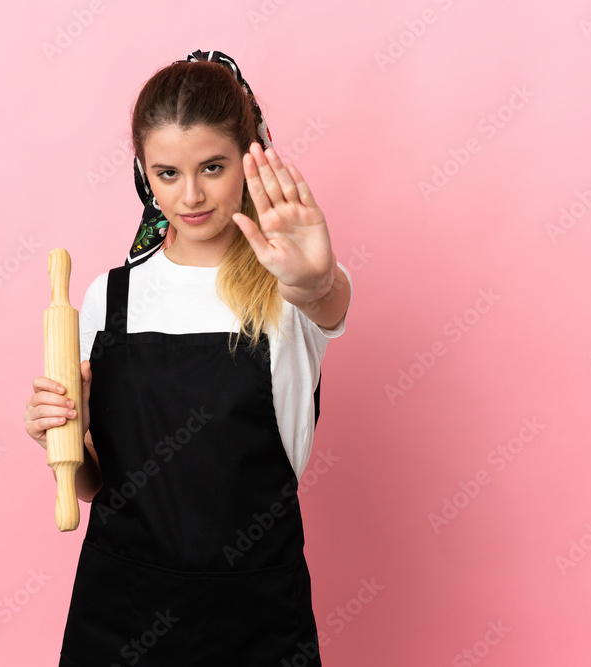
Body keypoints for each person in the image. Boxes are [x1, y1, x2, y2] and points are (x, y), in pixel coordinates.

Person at [25, 49, 352, 666]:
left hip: (255, 617)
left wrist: (314, 279)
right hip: (120, 608)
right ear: (143, 174)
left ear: (250, 159)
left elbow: (329, 300)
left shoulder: (289, 288)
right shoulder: (108, 296)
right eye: (167, 173)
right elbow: (100, 485)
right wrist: (62, 438)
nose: (191, 194)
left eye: (213, 166)